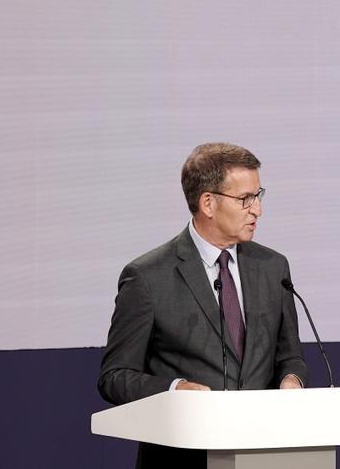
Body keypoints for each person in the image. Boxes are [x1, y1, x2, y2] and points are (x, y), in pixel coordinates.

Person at [98, 142, 309, 468]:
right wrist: (174, 389)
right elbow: (114, 376)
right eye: (245, 199)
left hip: (264, 451)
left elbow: (289, 356)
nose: (258, 210)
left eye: (259, 195)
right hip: (182, 457)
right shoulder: (148, 277)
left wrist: (291, 380)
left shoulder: (273, 267)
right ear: (208, 203)